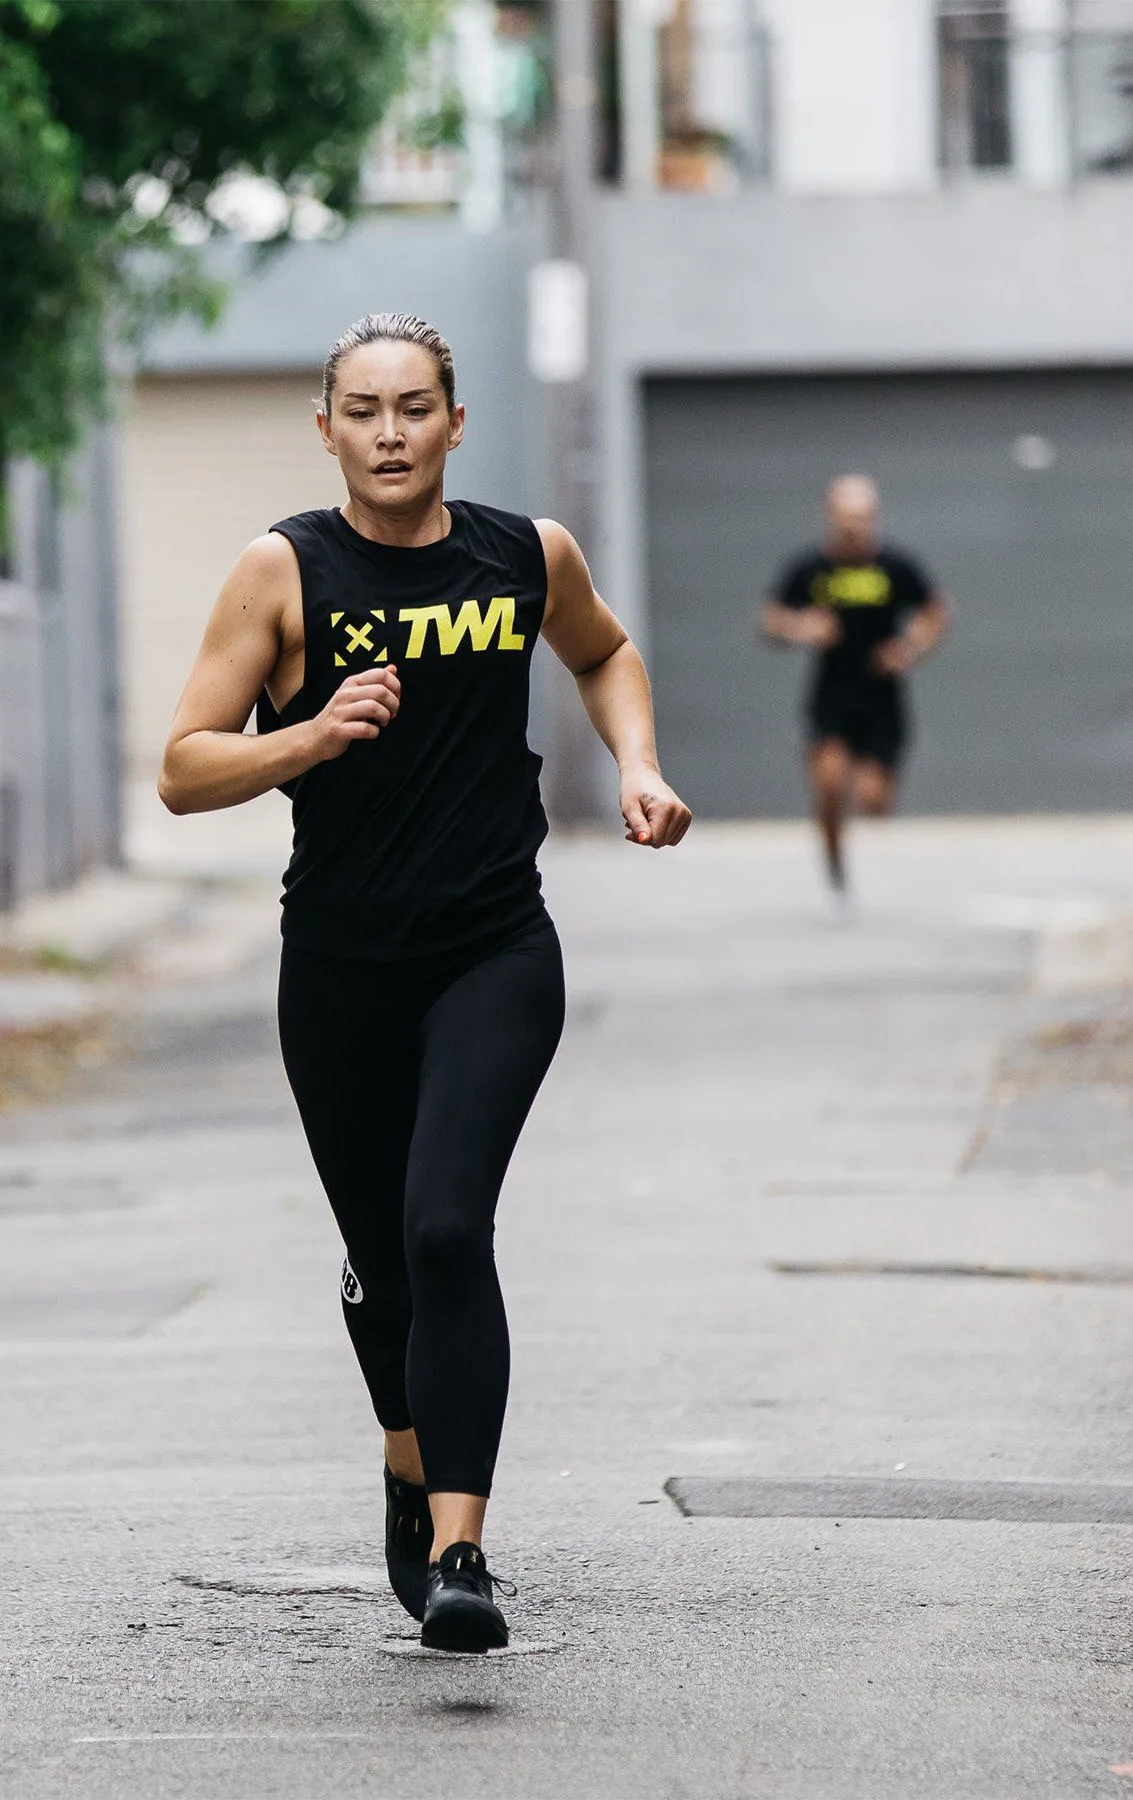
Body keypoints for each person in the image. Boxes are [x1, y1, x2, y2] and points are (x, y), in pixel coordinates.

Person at [159, 313, 691, 1653]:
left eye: (414, 408)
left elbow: (605, 653)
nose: (390, 433)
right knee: (388, 1266)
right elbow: (182, 766)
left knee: (449, 1227)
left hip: (493, 948)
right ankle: (407, 1461)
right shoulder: (284, 571)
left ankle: (461, 1551)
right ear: (327, 427)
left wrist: (635, 764)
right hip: (339, 965)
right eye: (364, 410)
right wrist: (311, 737)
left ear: (456, 423)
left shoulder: (524, 556)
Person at [759, 475, 951, 897]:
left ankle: (856, 812)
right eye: (845, 518)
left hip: (882, 697)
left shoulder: (896, 568)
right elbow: (770, 619)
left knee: (873, 803)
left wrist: (910, 647)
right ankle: (833, 858)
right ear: (830, 518)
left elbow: (934, 613)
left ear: (874, 519)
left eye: (861, 518)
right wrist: (803, 627)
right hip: (832, 694)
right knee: (828, 784)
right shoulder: (810, 569)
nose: (853, 527)